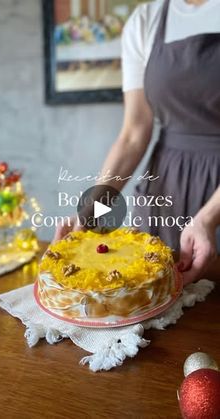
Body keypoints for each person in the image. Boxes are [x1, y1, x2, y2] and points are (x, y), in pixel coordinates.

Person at [54, 0, 220, 285]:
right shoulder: (146, 19)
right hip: (168, 185)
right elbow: (133, 135)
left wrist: (208, 218)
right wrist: (93, 209)